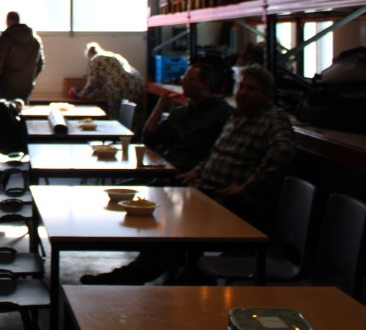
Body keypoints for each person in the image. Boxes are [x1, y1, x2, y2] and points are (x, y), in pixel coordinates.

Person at [81, 65, 296, 285]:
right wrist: (198, 171)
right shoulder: (236, 117)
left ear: (267, 95)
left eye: (252, 89)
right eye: (242, 87)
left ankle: (138, 276)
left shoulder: (272, 119)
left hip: (233, 200)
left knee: (174, 224)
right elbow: (214, 154)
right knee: (166, 219)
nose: (243, 93)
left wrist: (248, 187)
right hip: (204, 187)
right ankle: (173, 276)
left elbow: (283, 153)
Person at [141, 62, 232, 172]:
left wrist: (198, 172)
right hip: (168, 167)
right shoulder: (180, 112)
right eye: (183, 78)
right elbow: (149, 138)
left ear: (205, 84)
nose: (183, 82)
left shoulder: (220, 112)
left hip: (191, 172)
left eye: (190, 79)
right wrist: (160, 107)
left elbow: (222, 150)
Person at [77, 41, 145, 124]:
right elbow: (100, 84)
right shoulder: (111, 55)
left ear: (89, 54)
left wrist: (82, 94)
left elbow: (93, 82)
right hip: (136, 84)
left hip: (120, 87)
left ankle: (119, 131)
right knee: (133, 116)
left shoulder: (95, 59)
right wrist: (90, 95)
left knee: (117, 117)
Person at [0, 11, 44, 101]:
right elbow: (40, 64)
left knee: (5, 109)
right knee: (22, 108)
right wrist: (30, 78)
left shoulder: (4, 40)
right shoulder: (35, 40)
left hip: (6, 86)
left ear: (8, 21)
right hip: (26, 86)